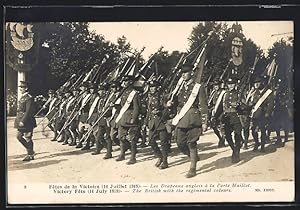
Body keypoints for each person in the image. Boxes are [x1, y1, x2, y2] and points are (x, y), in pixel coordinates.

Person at [167, 63, 208, 178]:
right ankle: (193, 157)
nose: (183, 75)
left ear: (192, 73)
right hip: (181, 118)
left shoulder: (198, 87)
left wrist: (204, 122)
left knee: (192, 143)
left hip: (193, 119)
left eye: (185, 72)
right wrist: (170, 104)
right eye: (182, 73)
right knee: (180, 142)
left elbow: (203, 105)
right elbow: (176, 102)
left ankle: (193, 167)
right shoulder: (179, 88)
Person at [115, 75, 141, 165]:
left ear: (130, 82)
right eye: (124, 81)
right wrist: (114, 105)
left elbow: (136, 107)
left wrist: (134, 118)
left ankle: (133, 157)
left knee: (132, 139)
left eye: (126, 81)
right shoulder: (123, 92)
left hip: (130, 117)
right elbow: (121, 105)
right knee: (121, 137)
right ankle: (122, 154)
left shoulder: (134, 93)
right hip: (123, 117)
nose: (124, 83)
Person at [146, 80, 170, 169]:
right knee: (151, 141)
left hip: (161, 122)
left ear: (157, 87)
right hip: (152, 122)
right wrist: (145, 123)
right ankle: (160, 156)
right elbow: (148, 111)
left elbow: (167, 110)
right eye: (150, 87)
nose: (152, 89)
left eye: (153, 87)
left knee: (163, 142)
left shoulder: (162, 97)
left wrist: (160, 112)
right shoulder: (149, 97)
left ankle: (165, 161)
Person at [220, 78, 244, 163]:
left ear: (235, 84)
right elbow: (221, 106)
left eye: (232, 84)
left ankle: (236, 153)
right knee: (227, 135)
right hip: (227, 117)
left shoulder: (239, 94)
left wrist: (238, 106)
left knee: (237, 135)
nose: (230, 85)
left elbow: (244, 104)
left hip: (236, 116)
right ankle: (234, 149)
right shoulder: (224, 94)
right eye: (229, 84)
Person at [14, 81, 37, 161]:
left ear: (26, 88)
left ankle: (30, 154)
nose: (20, 88)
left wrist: (23, 121)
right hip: (21, 119)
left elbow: (28, 111)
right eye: (20, 87)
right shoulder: (23, 97)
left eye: (22, 87)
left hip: (27, 121)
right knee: (19, 137)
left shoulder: (29, 98)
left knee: (28, 137)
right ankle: (31, 151)